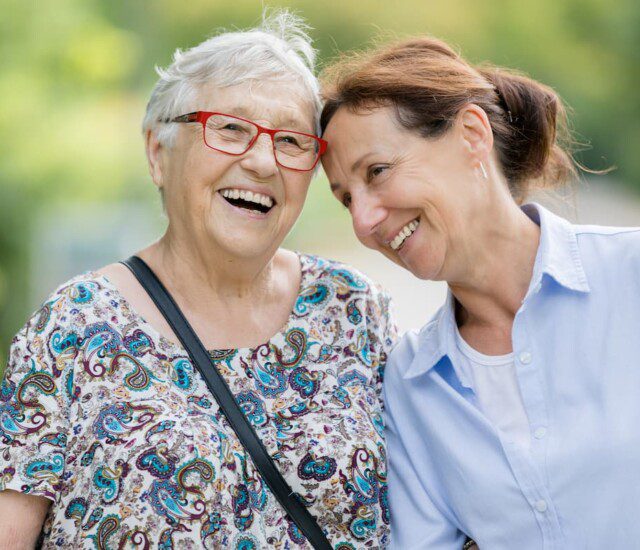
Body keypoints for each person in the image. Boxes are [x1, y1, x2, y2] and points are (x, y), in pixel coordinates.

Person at [0, 12, 397, 549]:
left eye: (291, 141)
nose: (262, 161)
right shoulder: (73, 328)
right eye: (230, 128)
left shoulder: (352, 308)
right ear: (158, 153)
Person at [320, 35, 640, 549]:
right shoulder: (413, 380)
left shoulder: (630, 274)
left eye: (376, 172)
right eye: (345, 200)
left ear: (471, 134)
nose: (364, 219)